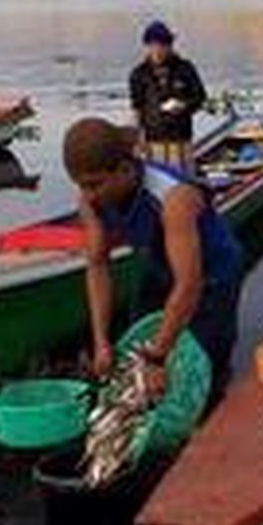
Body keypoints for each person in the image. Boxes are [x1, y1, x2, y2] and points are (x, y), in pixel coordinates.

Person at [64, 117, 242, 399]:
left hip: (212, 272)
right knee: (138, 347)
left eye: (95, 185)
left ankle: (213, 406)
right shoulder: (91, 201)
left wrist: (157, 358)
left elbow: (188, 285)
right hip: (158, 261)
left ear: (124, 169)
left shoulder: (173, 198)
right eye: (81, 185)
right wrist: (101, 342)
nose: (88, 195)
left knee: (206, 356)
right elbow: (97, 265)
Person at [129, 21, 208, 169]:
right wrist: (138, 139)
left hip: (180, 140)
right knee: (158, 183)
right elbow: (137, 108)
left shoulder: (185, 69)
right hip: (153, 141)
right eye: (153, 46)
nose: (157, 50)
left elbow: (200, 97)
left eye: (162, 46)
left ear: (170, 46)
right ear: (147, 47)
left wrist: (184, 106)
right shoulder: (139, 74)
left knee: (184, 183)